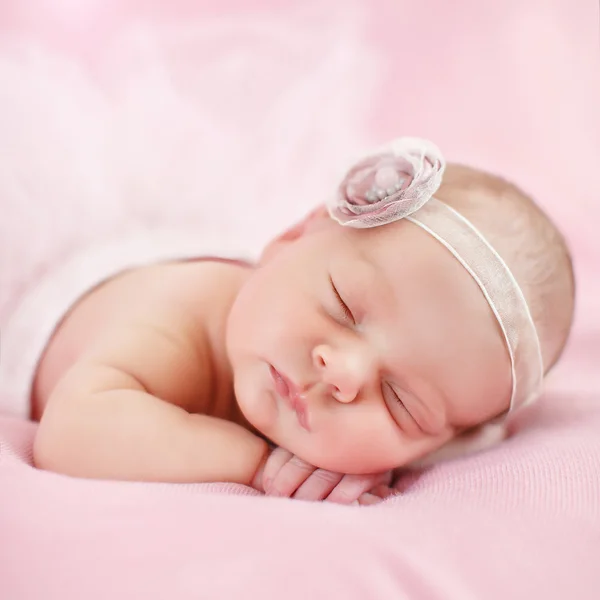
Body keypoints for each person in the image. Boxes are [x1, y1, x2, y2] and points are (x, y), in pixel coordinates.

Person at [24, 138, 575, 504]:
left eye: (402, 403)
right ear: (290, 237)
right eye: (343, 306)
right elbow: (71, 432)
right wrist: (256, 465)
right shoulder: (179, 317)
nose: (344, 373)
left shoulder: (415, 428)